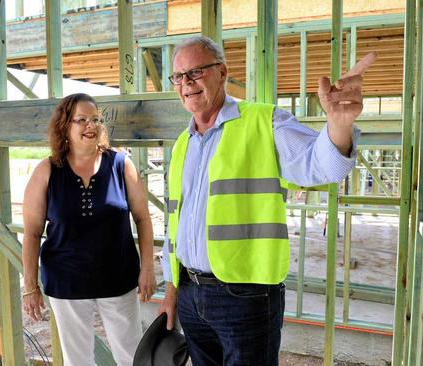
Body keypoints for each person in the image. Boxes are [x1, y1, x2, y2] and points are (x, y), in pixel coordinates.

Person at [158, 36, 376, 365]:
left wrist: (338, 126)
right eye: (179, 76)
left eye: (196, 72)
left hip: (245, 294)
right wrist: (173, 289)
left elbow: (319, 166)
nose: (186, 83)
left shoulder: (264, 121)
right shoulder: (182, 146)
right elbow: (175, 222)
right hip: (190, 292)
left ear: (222, 72)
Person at [22, 93, 156, 366]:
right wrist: (30, 286)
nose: (90, 125)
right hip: (66, 283)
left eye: (95, 119)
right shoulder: (46, 171)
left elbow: (143, 218)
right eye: (81, 120)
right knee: (78, 361)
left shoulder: (120, 164)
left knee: (131, 357)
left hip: (118, 280)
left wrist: (148, 268)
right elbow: (32, 232)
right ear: (64, 126)